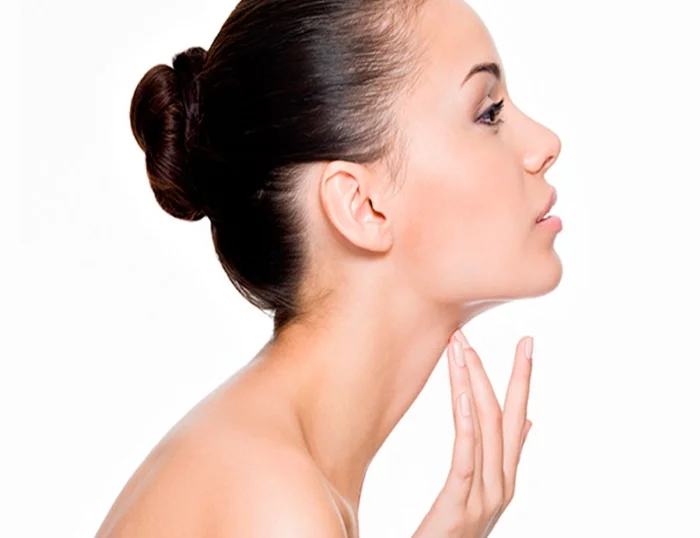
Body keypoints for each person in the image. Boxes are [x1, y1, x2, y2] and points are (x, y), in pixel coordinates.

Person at [96, 0, 562, 535]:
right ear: (363, 206)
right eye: (488, 112)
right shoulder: (273, 501)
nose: (546, 145)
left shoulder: (267, 465)